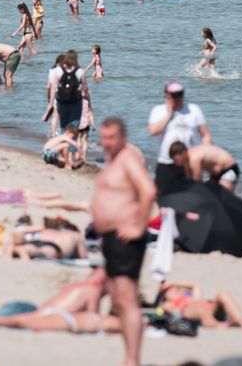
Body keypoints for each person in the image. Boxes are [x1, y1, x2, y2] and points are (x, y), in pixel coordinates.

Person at [91, 118, 155, 366]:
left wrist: (139, 224)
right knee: (119, 299)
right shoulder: (113, 160)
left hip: (125, 239)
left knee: (127, 301)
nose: (106, 143)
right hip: (111, 239)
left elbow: (148, 190)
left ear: (123, 137)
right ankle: (129, 355)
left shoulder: (128, 158)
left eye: (111, 138)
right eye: (103, 138)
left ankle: (132, 360)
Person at [147, 82, 210, 194]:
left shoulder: (194, 109)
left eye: (179, 95)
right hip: (166, 163)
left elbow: (205, 135)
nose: (177, 98)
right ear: (167, 96)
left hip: (190, 163)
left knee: (192, 198)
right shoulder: (158, 110)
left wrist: (206, 156)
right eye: (173, 95)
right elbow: (153, 131)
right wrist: (169, 114)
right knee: (164, 201)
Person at [46, 51, 90, 168]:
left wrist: (50, 103)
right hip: (76, 103)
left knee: (63, 127)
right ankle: (70, 158)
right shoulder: (80, 71)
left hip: (62, 103)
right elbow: (84, 89)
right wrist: (88, 102)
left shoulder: (59, 70)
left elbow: (53, 88)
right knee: (73, 129)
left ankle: (61, 154)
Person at [156, 280, 242, 328]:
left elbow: (194, 285)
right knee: (200, 309)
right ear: (165, 297)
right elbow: (158, 312)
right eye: (169, 291)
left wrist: (173, 283)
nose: (175, 290)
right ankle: (224, 324)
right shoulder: (170, 305)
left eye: (176, 289)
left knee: (222, 293)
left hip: (212, 309)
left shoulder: (191, 297)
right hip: (202, 316)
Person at [169, 141, 239, 191]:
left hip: (228, 170)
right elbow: (189, 180)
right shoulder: (186, 160)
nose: (175, 163)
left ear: (183, 153)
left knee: (225, 197)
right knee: (213, 197)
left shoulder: (194, 158)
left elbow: (197, 182)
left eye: (176, 160)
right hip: (215, 174)